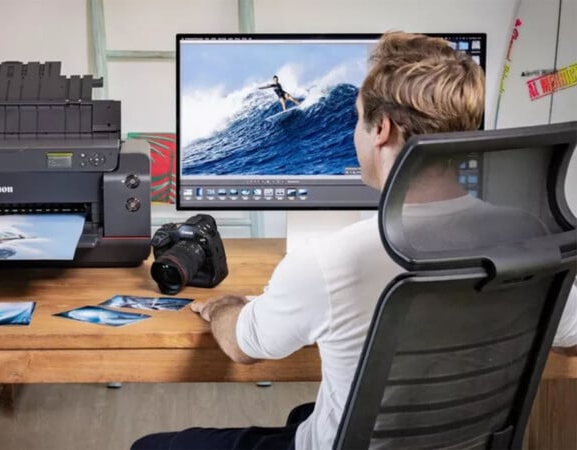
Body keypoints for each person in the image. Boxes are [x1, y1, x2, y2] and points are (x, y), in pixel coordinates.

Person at [131, 31, 577, 450]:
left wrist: (224, 306)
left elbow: (242, 347)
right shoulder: (529, 237)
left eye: (357, 118)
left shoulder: (331, 261)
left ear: (380, 129)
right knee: (307, 411)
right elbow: (570, 337)